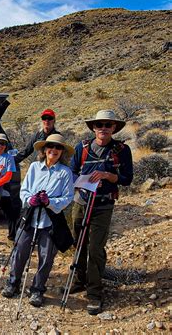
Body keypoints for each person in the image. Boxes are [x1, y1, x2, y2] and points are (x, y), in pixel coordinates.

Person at [70, 110, 133, 315]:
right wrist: (76, 184)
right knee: (79, 242)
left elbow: (126, 179)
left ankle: (94, 293)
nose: (103, 128)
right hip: (81, 202)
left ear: (114, 127)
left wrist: (107, 175)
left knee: (96, 248)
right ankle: (79, 280)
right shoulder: (82, 147)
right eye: (99, 125)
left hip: (103, 205)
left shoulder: (122, 150)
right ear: (93, 128)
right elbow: (72, 171)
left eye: (108, 125)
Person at [2, 134, 74, 308]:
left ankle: (37, 290)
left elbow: (68, 197)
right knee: (20, 251)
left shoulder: (65, 173)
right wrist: (30, 200)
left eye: (58, 148)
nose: (54, 150)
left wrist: (50, 202)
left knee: (46, 257)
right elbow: (24, 190)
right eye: (51, 146)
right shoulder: (34, 167)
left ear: (62, 152)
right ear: (44, 149)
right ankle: (13, 283)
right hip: (30, 217)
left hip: (51, 221)